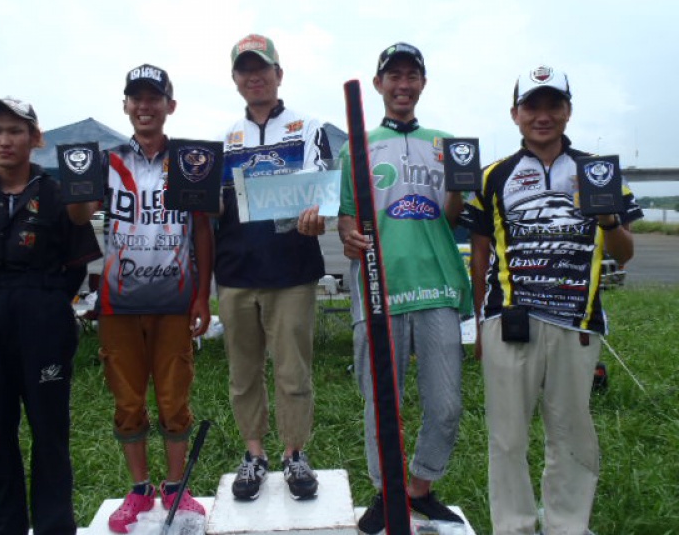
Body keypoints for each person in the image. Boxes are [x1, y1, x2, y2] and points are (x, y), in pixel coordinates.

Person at [461, 65, 642, 535]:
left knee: (572, 434)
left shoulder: (597, 172)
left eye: (553, 105)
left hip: (576, 322)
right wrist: (479, 325)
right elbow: (479, 255)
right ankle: (515, 526)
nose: (543, 116)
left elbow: (624, 254)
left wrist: (606, 221)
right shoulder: (493, 176)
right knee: (507, 437)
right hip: (509, 320)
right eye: (532, 106)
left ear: (568, 111)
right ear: (515, 114)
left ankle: (567, 525)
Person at [0, 97, 102, 534]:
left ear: (34, 138)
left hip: (43, 317)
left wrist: (43, 303)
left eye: (15, 131)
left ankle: (54, 526)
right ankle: (4, 527)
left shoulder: (56, 194)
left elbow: (77, 264)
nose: (4, 140)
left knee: (49, 433)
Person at [67, 63, 213, 533]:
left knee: (175, 400)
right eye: (137, 98)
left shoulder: (192, 160)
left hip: (175, 300)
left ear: (170, 106)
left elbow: (204, 230)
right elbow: (76, 216)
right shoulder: (106, 161)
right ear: (126, 105)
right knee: (127, 402)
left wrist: (203, 296)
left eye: (155, 98)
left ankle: (175, 487)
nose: (145, 106)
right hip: (118, 303)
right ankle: (138, 489)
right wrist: (78, 184)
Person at [338, 42, 472, 531]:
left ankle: (420, 486)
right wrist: (349, 236)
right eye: (393, 75)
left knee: (446, 403)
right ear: (379, 85)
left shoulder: (446, 142)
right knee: (380, 400)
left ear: (422, 84)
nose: (402, 84)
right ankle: (386, 491)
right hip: (378, 290)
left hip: (436, 287)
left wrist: (457, 184)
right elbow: (347, 220)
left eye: (411, 75)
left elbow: (451, 219)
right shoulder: (357, 144)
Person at [216, 34, 331, 500]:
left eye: (261, 67)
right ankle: (254, 454)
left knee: (292, 371)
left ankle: (294, 454)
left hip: (291, 270)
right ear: (236, 80)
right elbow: (213, 207)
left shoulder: (308, 126)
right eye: (245, 69)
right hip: (236, 271)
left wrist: (317, 210)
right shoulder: (224, 139)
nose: (254, 76)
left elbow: (323, 188)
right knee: (243, 373)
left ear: (278, 74)